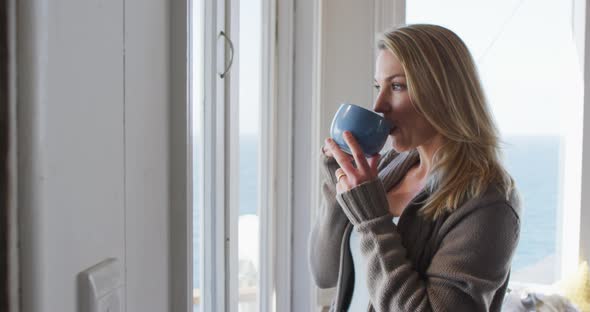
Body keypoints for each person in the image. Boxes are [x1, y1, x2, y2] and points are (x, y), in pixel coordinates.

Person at [308, 24, 521, 312]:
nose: (378, 105)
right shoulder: (386, 171)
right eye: (377, 86)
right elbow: (325, 272)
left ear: (444, 93)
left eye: (396, 86)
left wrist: (372, 220)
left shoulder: (488, 202)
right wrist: (340, 179)